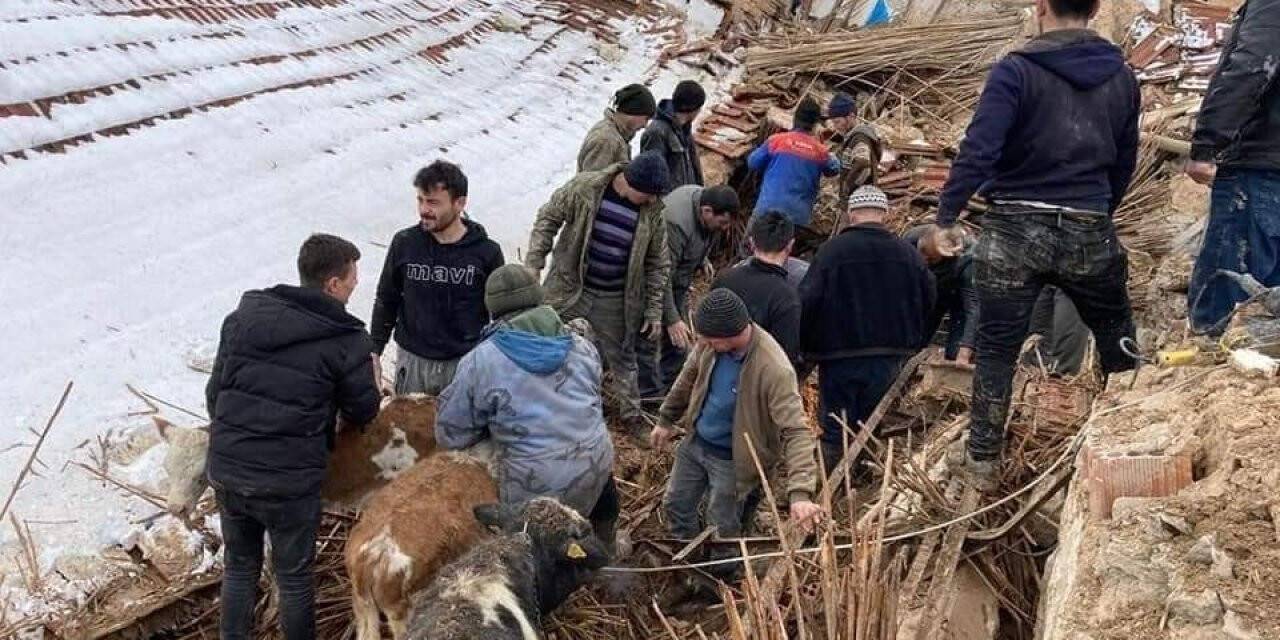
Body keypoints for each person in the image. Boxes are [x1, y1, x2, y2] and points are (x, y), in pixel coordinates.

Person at [930, 0, 1140, 491]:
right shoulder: (1123, 77)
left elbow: (980, 149)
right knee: (1117, 338)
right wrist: (1098, 213)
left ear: (1042, 5)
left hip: (1014, 229)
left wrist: (947, 215)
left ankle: (982, 461)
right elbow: (1125, 158)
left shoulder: (1016, 71)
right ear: (1096, 9)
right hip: (1087, 222)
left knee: (997, 348)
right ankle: (1126, 445)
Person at [206, 234, 381, 640]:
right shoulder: (345, 339)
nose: (355, 285)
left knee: (239, 567)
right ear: (332, 284)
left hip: (230, 471)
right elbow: (362, 411)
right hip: (289, 483)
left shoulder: (243, 320)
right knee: (294, 578)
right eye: (352, 279)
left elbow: (215, 396)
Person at [435, 264, 618, 547]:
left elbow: (451, 435)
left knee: (468, 458)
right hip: (597, 468)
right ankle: (604, 547)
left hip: (536, 487)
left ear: (492, 309)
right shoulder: (582, 346)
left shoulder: (481, 360)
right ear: (538, 299)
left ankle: (523, 546)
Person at [650, 289, 822, 569]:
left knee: (723, 526)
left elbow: (796, 431)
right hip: (696, 444)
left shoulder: (774, 368)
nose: (702, 343)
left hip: (733, 460)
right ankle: (689, 561)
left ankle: (721, 575)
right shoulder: (710, 346)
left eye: (709, 339)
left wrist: (800, 493)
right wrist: (666, 419)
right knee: (676, 504)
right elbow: (688, 377)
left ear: (730, 335)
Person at [525, 151, 672, 439]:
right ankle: (530, 403)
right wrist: (534, 263)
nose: (652, 200)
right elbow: (548, 217)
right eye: (648, 194)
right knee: (542, 339)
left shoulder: (652, 213)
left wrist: (654, 309)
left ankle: (632, 417)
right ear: (632, 182)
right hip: (569, 287)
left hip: (614, 297)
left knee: (623, 358)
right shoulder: (585, 188)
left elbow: (658, 263)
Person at [801, 187, 935, 474]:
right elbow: (929, 298)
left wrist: (806, 347)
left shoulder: (831, 252)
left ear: (852, 214)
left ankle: (829, 483)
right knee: (870, 423)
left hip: (838, 356)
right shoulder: (907, 254)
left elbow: (808, 300)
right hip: (889, 355)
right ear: (885, 214)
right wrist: (915, 340)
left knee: (835, 425)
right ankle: (862, 480)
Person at [1184, 0, 1280, 335]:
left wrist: (1207, 144)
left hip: (1262, 168)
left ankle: (1211, 355)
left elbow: (1253, 66)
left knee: (1225, 310)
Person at [370, 161, 504, 396]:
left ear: (459, 203)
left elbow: (501, 315)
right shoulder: (405, 243)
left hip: (464, 363)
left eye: (433, 202)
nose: (424, 209)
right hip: (413, 363)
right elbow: (387, 299)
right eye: (420, 200)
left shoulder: (486, 253)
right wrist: (374, 352)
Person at [637, 184, 739, 404]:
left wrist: (701, 259)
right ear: (707, 211)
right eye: (722, 223)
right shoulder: (676, 224)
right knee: (649, 335)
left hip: (677, 283)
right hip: (651, 284)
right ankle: (648, 398)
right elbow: (660, 275)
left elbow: (697, 238)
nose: (724, 229)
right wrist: (672, 319)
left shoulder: (705, 204)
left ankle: (670, 390)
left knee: (679, 342)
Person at [714, 212, 802, 367]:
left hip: (716, 369)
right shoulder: (787, 298)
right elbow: (785, 360)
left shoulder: (724, 279)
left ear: (752, 242)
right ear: (790, 245)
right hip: (758, 376)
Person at [747, 96, 842, 229]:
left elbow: (753, 162)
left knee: (751, 241)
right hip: (796, 217)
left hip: (767, 209)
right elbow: (834, 169)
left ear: (794, 119)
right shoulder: (820, 151)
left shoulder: (776, 141)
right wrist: (828, 153)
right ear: (815, 125)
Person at [904, 225, 978, 365]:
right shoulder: (911, 240)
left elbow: (973, 308)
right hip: (929, 292)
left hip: (958, 297)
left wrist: (965, 349)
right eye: (921, 253)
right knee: (911, 344)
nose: (924, 260)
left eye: (930, 259)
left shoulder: (969, 260)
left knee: (954, 354)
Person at [578, 84, 657, 173]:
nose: (645, 125)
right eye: (646, 118)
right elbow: (591, 180)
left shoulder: (618, 135)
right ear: (634, 111)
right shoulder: (606, 140)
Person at [641, 80, 706, 188]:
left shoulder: (684, 128)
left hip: (686, 193)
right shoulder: (657, 132)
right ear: (693, 109)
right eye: (699, 108)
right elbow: (651, 176)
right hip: (670, 197)